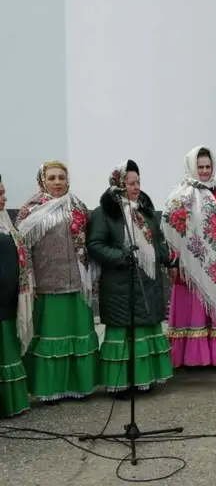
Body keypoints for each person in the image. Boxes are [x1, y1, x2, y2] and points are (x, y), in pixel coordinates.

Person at [87, 160, 175, 398]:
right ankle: (122, 384)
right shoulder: (104, 213)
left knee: (144, 331)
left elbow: (157, 241)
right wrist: (121, 256)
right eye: (130, 183)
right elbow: (95, 245)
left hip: (147, 282)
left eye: (138, 182)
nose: (136, 187)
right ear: (118, 184)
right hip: (120, 283)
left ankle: (143, 380)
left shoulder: (144, 210)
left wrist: (167, 257)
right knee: (124, 334)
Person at [16, 161, 98, 404]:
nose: (57, 182)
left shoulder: (78, 207)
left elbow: (89, 243)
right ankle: (49, 390)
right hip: (46, 287)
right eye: (51, 178)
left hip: (77, 287)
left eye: (61, 177)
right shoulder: (29, 210)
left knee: (77, 338)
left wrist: (92, 277)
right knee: (50, 341)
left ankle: (80, 387)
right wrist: (28, 282)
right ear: (43, 180)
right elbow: (23, 249)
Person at [162, 146, 216, 368]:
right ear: (192, 167)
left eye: (208, 166)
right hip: (188, 265)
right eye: (200, 167)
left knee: (211, 310)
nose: (204, 171)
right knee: (191, 309)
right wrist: (173, 261)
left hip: (214, 263)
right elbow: (171, 229)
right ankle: (188, 357)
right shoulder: (180, 194)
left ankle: (213, 356)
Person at [0, 176, 32, 418]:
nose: (4, 198)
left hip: (8, 301)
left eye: (4, 192)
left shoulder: (6, 224)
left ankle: (10, 403)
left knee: (8, 346)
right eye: (0, 194)